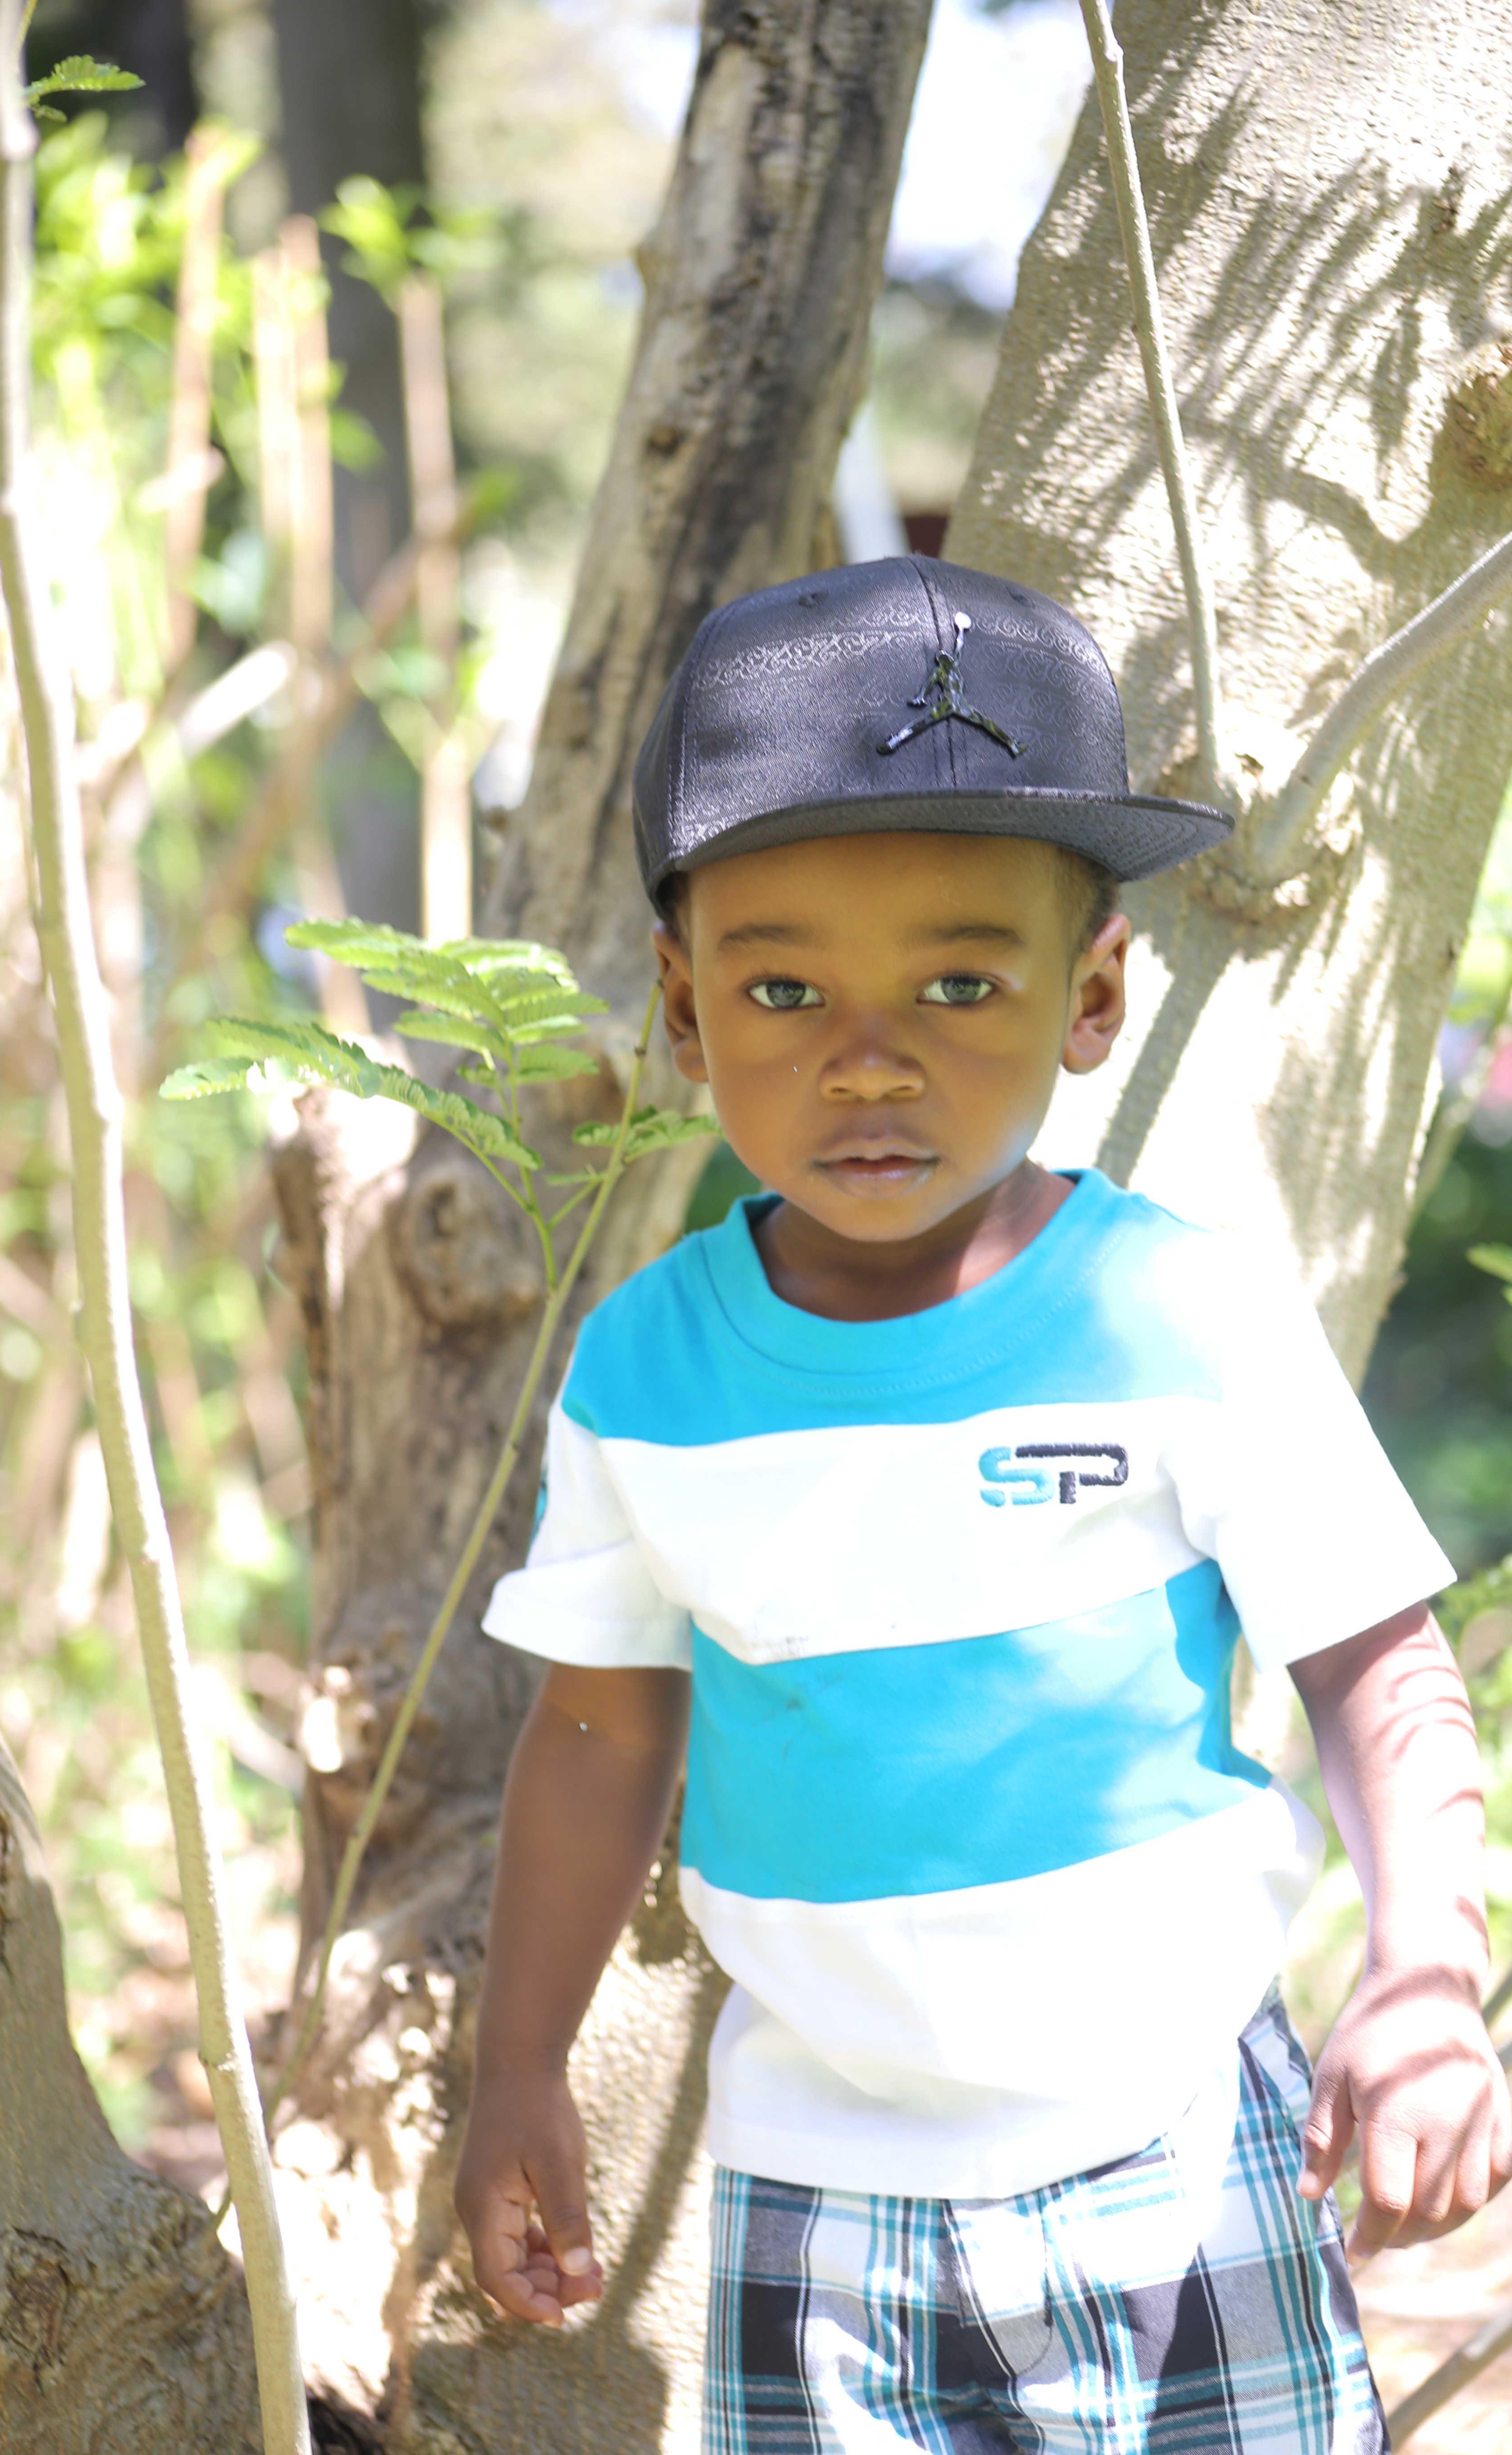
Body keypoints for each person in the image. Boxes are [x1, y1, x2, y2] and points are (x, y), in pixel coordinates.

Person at [454, 557, 1512, 2451]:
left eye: (961, 982)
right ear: (684, 1010)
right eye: (784, 989)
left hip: (1184, 2148)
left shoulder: (1176, 1319)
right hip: (815, 2192)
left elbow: (1373, 1663)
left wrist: (1429, 1971)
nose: (870, 1056)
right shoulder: (647, 1371)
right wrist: (516, 2064)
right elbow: (601, 1731)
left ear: (1092, 995)